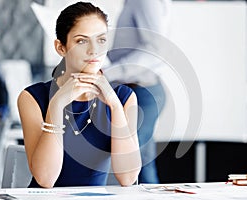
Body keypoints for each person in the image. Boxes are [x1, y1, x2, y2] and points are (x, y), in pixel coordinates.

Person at [17, 2, 141, 188]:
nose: (94, 50)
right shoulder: (32, 98)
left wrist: (114, 106)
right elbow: (46, 179)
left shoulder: (123, 98)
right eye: (82, 41)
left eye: (101, 40)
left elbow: (128, 178)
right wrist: (57, 104)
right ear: (61, 47)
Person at [104, 0, 171, 183]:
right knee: (143, 163)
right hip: (138, 89)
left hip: (143, 91)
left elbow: (154, 50)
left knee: (130, 163)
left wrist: (109, 72)